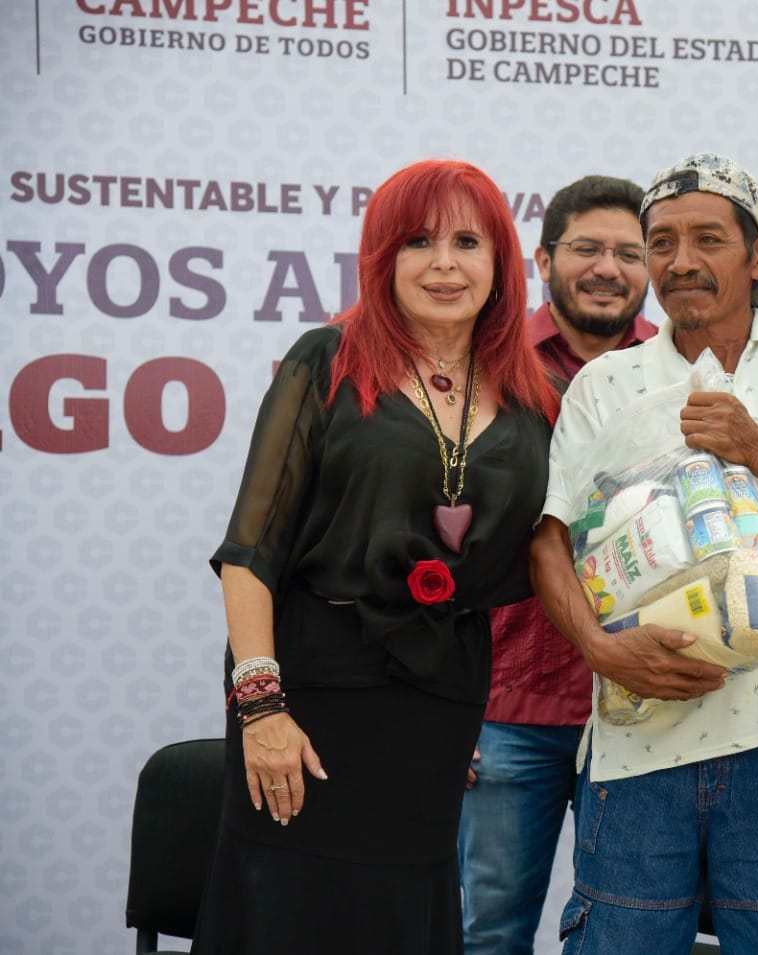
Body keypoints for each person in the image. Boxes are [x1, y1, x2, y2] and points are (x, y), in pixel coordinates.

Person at [529, 153, 758, 954]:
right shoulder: (607, 380)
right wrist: (599, 646)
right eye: (661, 242)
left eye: (707, 239)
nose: (681, 261)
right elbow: (550, 538)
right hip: (635, 742)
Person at [192, 159, 559, 955]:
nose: (444, 263)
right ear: (380, 257)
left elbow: (544, 557)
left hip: (438, 710)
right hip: (307, 700)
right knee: (289, 913)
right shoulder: (327, 361)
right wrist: (260, 705)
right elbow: (251, 551)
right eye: (417, 241)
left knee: (402, 911)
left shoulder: (532, 402)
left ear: (501, 261)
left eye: (469, 240)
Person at [457, 174, 656, 955]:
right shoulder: (481, 362)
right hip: (505, 708)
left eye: (628, 252)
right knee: (488, 932)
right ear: (542, 258)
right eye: (587, 248)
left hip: (640, 710)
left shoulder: (681, 371)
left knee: (626, 937)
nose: (608, 267)